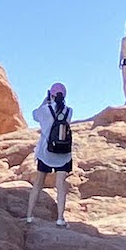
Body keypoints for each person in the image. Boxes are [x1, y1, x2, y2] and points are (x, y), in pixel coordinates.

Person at [27, 82, 76, 226]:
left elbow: (35, 115)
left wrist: (45, 99)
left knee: (38, 183)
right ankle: (60, 218)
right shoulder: (69, 111)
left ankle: (29, 216)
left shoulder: (45, 110)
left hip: (46, 152)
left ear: (51, 94)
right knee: (61, 185)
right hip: (64, 153)